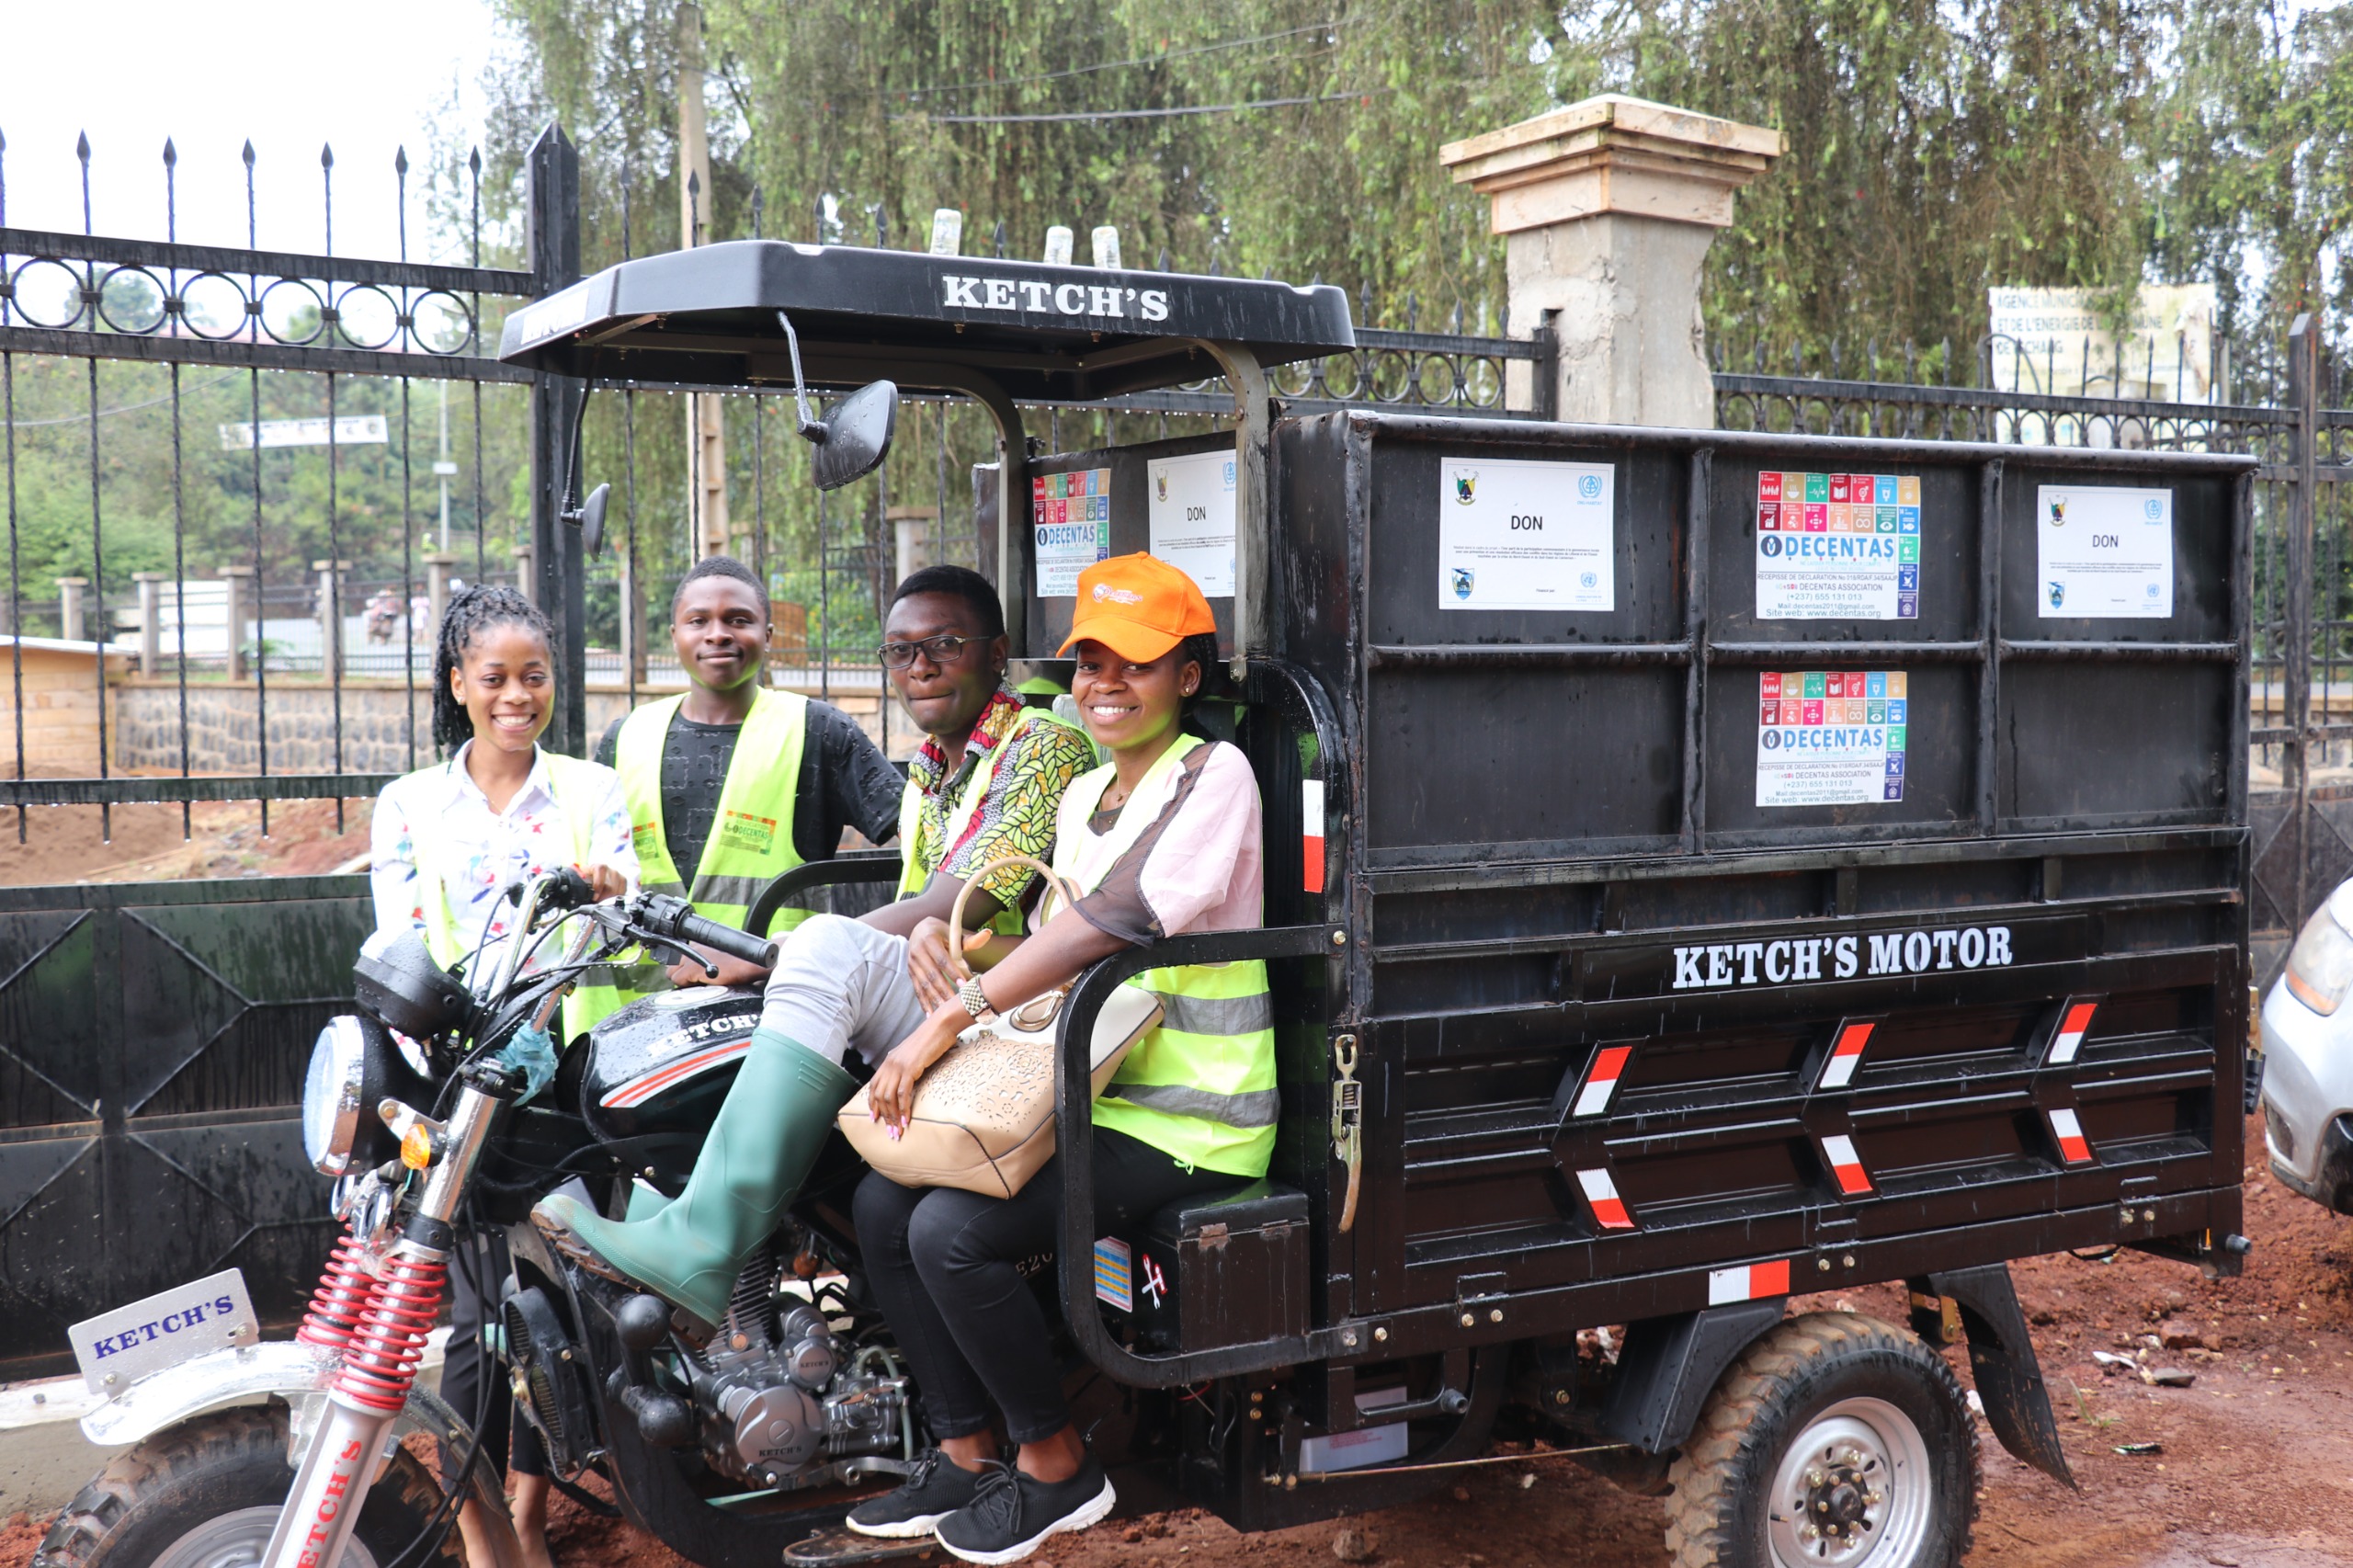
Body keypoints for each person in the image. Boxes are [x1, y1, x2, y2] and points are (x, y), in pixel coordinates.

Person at [533, 563, 1098, 1327]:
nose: (920, 666)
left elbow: (960, 899)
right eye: (900, 652)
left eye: (944, 645)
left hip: (1011, 1010)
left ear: (998, 654)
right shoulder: (932, 767)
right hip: (944, 992)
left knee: (824, 945)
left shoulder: (1043, 745)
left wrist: (777, 952)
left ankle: (706, 1241)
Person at [846, 554, 1270, 1565]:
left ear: (1187, 678)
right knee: (879, 1202)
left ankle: (1056, 1463)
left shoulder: (1214, 775)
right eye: (1088, 664)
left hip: (1193, 1119)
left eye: (1134, 664)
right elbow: (1042, 933)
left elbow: (1115, 917)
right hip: (1091, 1094)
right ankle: (964, 1447)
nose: (1105, 685)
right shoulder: (1083, 791)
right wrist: (951, 942)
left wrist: (944, 1018)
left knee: (954, 1231)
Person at [369, 584, 638, 1568]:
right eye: (495, 678)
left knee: (554, 1304)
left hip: (564, 1069)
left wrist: (613, 889)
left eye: (534, 676)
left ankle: (529, 1511)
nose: (517, 695)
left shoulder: (588, 789)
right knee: (473, 1319)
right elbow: (396, 939)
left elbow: (627, 907)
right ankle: (479, 1526)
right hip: (458, 1081)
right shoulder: (410, 802)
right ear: (458, 684)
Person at [566, 554, 903, 1026]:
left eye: (738, 620)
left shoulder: (817, 732)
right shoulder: (624, 739)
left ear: (768, 634)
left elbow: (927, 835)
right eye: (698, 620)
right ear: (675, 637)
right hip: (627, 1028)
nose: (718, 633)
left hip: (772, 1017)